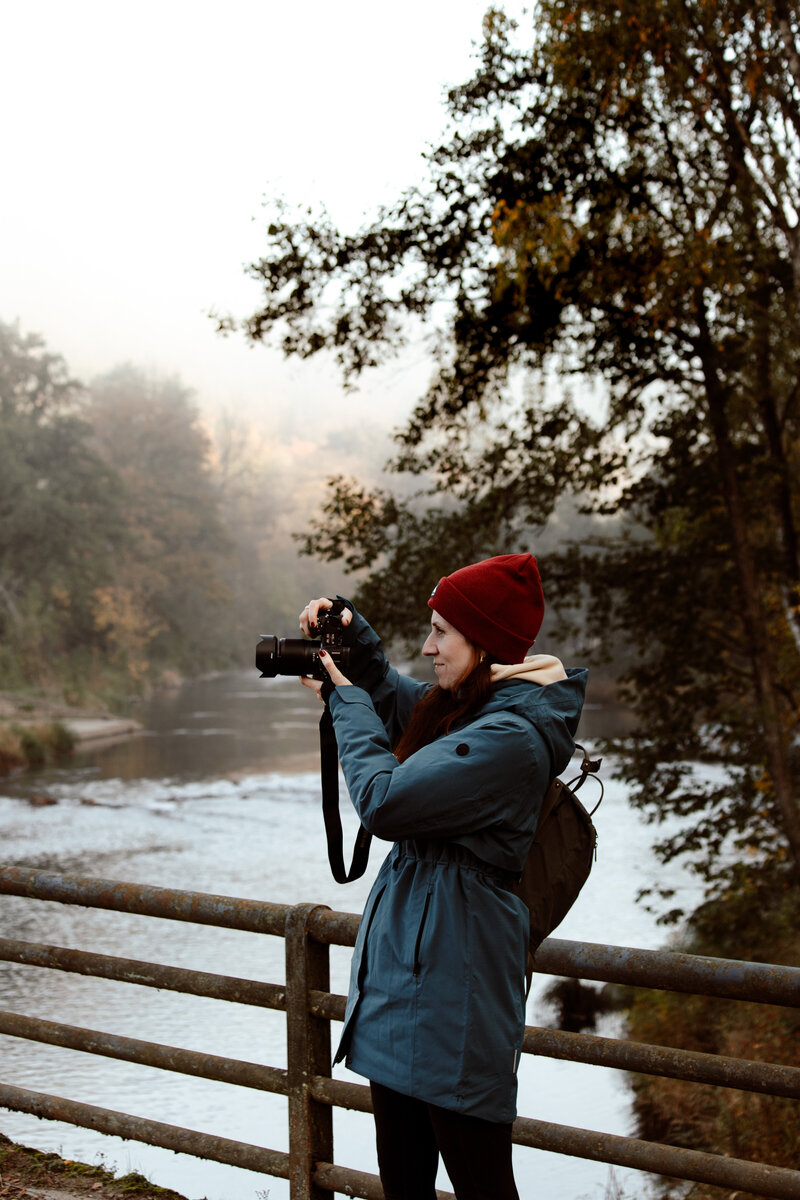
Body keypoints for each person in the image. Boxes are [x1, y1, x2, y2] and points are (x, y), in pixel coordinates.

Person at [298, 554, 587, 1200]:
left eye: (441, 633)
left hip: (456, 994)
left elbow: (386, 800)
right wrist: (358, 648)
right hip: (405, 985)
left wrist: (345, 704)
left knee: (482, 1185)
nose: (428, 647)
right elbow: (409, 706)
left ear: (484, 642)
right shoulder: (470, 706)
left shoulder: (510, 735)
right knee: (404, 1184)